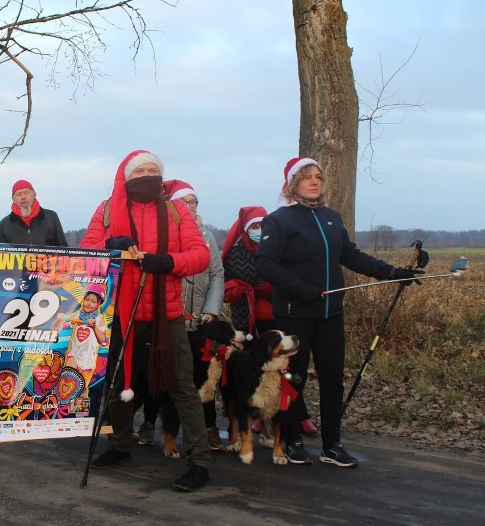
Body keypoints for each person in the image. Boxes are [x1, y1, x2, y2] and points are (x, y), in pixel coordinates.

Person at [255, 157, 415, 467]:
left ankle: (332, 445)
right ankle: (290, 440)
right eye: (306, 177)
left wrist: (392, 272)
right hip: (294, 314)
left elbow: (350, 255)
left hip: (330, 313)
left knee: (332, 379)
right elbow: (265, 264)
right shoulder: (279, 220)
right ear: (292, 184)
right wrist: (302, 289)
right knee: (293, 379)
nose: (314, 181)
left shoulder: (330, 217)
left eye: (318, 176)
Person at [79, 150, 212, 492]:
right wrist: (113, 244)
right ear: (126, 177)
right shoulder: (107, 210)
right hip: (121, 313)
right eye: (142, 171)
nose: (149, 175)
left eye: (155, 170)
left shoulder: (175, 209)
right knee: (117, 382)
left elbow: (200, 255)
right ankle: (120, 446)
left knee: (182, 386)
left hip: (166, 316)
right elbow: (87, 251)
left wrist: (166, 262)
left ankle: (200, 461)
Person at [134, 179, 226, 451]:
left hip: (199, 321)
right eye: (183, 202)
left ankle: (208, 429)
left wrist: (211, 310)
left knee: (199, 377)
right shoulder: (164, 232)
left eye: (193, 202)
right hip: (170, 317)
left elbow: (217, 276)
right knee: (159, 375)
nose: (189, 206)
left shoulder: (207, 238)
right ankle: (150, 423)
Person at [222, 206, 319, 437]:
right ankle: (257, 416)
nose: (259, 230)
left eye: (262, 226)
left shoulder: (278, 249)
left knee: (284, 369)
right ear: (246, 229)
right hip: (246, 318)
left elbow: (289, 278)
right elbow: (225, 281)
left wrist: (273, 288)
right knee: (252, 371)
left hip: (276, 317)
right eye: (254, 226)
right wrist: (235, 289)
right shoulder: (235, 254)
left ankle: (299, 414)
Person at [52, 282, 110, 392]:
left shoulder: (100, 320)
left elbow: (104, 342)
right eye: (87, 300)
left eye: (93, 301)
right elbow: (55, 330)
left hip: (87, 364)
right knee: (67, 381)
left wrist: (94, 327)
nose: (89, 303)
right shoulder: (76, 315)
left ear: (99, 304)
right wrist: (59, 320)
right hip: (73, 357)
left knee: (81, 393)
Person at [0, 179, 68, 246]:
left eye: (26, 192)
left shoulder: (51, 218)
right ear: (13, 199)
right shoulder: (4, 225)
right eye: (19, 194)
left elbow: (63, 249)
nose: (23, 197)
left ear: (34, 194)